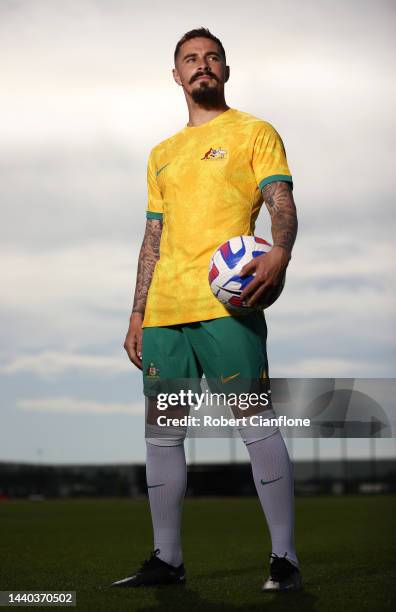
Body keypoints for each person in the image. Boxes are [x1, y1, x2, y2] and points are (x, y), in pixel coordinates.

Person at [111, 27, 301, 592]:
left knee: (255, 422)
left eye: (212, 58)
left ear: (225, 69)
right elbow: (152, 236)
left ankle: (284, 560)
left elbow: (281, 202)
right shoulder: (162, 154)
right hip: (165, 313)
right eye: (191, 59)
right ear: (176, 75)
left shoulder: (254, 131)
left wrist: (282, 252)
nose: (202, 66)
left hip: (228, 307)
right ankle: (166, 561)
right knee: (163, 433)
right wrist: (136, 312)